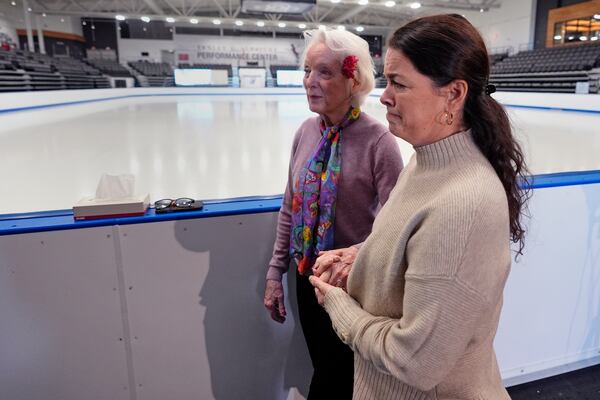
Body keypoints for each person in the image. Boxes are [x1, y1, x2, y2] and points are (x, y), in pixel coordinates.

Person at [309, 14, 530, 400]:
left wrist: (339, 307)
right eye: (386, 80)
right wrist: (361, 256)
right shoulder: (424, 160)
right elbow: (415, 246)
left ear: (453, 94)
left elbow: (415, 362)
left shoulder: (465, 204)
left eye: (399, 83)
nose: (384, 95)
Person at [263, 29, 403, 399]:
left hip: (353, 284)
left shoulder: (379, 142)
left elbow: (395, 225)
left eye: (324, 72)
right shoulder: (304, 133)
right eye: (307, 70)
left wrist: (353, 258)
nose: (310, 81)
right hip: (307, 276)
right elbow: (289, 208)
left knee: (342, 377)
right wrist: (276, 273)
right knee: (324, 366)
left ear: (352, 79)